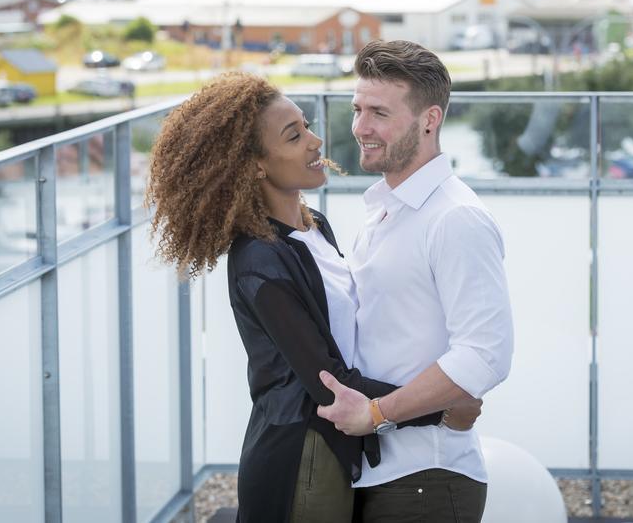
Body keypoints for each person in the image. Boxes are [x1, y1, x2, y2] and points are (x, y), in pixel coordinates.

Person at [145, 72, 479, 522]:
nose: (316, 140)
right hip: (303, 460)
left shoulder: (315, 225)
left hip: (341, 450)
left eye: (306, 125)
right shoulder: (260, 261)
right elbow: (329, 381)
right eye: (294, 135)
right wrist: (440, 409)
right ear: (256, 165)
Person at [317, 40, 515, 522]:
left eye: (379, 113)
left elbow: (485, 352)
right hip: (383, 473)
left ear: (429, 120)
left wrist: (377, 413)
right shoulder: (388, 209)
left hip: (428, 478)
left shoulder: (455, 218)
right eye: (357, 109)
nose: (361, 128)